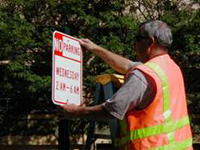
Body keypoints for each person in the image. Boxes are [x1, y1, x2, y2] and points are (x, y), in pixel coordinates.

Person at [59, 20, 193, 150]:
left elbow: (111, 110)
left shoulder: (143, 76)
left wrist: (75, 112)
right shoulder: (170, 68)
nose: (135, 44)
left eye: (138, 39)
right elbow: (127, 65)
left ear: (150, 42)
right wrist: (96, 48)